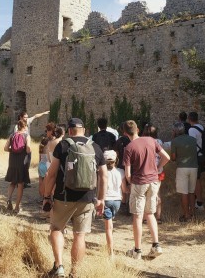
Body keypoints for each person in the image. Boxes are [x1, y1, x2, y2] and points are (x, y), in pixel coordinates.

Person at [43, 118, 107, 277]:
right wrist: (101, 199)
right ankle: (75, 272)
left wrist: (46, 196)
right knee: (80, 235)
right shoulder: (96, 148)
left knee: (57, 229)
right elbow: (104, 176)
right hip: (87, 198)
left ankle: (59, 267)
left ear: (70, 131)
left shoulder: (63, 146)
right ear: (84, 130)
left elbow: (51, 175)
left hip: (63, 197)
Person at [122, 120, 170, 259]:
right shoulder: (151, 140)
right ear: (137, 129)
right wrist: (158, 167)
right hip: (153, 181)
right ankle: (156, 245)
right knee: (150, 213)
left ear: (125, 133)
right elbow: (166, 157)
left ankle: (137, 250)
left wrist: (131, 183)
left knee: (137, 215)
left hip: (139, 182)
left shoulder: (129, 147)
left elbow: (128, 173)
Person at [170, 122, 198, 222]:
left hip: (182, 167)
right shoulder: (192, 139)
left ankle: (186, 215)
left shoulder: (175, 141)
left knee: (184, 193)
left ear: (175, 131)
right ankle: (193, 214)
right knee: (191, 192)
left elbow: (173, 158)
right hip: (194, 167)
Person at [15, 110, 50, 188]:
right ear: (20, 117)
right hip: (21, 149)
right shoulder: (17, 127)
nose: (26, 119)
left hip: (27, 148)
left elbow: (35, 115)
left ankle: (25, 182)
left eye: (27, 117)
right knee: (21, 166)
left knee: (26, 165)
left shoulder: (27, 122)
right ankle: (19, 182)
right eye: (25, 117)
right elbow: (16, 138)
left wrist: (43, 113)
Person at [4, 120, 31, 214]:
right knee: (20, 184)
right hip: (21, 162)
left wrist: (13, 150)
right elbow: (28, 149)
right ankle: (17, 207)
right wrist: (27, 151)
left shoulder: (12, 135)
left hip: (12, 161)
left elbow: (5, 148)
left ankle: (9, 199)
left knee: (12, 182)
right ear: (25, 126)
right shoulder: (26, 135)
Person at [102, 150, 126, 256]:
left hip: (106, 200)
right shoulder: (121, 172)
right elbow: (124, 189)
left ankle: (110, 252)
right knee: (111, 224)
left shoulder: (101, 171)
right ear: (116, 160)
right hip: (117, 201)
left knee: (108, 228)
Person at [142, 123, 164, 224]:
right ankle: (158, 216)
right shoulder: (159, 142)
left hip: (147, 170)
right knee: (157, 193)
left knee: (146, 194)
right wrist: (159, 166)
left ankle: (145, 217)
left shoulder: (144, 142)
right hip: (158, 171)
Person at [187, 111, 205, 210]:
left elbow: (192, 144)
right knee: (197, 179)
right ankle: (197, 200)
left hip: (196, 157)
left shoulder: (191, 130)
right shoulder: (202, 127)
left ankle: (199, 203)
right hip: (202, 156)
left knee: (196, 180)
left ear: (189, 119)